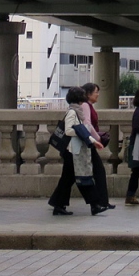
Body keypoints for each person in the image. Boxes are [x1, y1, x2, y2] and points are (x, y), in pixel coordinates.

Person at [48, 87, 107, 216]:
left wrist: (92, 140)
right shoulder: (72, 112)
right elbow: (69, 130)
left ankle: (59, 205)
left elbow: (82, 130)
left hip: (74, 150)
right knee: (82, 178)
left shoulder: (76, 111)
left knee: (68, 179)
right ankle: (94, 205)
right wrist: (84, 135)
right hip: (72, 151)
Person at [80, 82, 115, 211]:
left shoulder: (87, 105)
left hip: (87, 143)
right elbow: (87, 124)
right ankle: (100, 202)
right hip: (87, 143)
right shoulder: (85, 105)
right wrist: (97, 138)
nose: (98, 94)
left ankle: (58, 202)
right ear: (88, 94)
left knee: (69, 175)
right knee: (99, 171)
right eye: (96, 92)